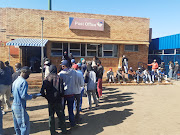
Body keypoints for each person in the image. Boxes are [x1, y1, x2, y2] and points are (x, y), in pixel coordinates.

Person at [40, 65, 68, 135]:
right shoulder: (59, 78)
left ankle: (52, 132)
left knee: (51, 117)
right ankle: (64, 131)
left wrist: (47, 97)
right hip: (58, 100)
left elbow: (42, 92)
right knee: (61, 116)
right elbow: (62, 92)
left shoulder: (46, 79)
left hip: (50, 101)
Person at [12, 66, 37, 135]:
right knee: (24, 126)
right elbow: (23, 96)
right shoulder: (23, 82)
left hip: (14, 104)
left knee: (17, 126)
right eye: (28, 73)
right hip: (20, 106)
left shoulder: (15, 81)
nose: (28, 75)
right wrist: (31, 96)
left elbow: (13, 92)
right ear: (23, 72)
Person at [59, 60, 77, 127]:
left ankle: (62, 123)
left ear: (64, 66)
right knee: (70, 109)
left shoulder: (61, 74)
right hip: (71, 93)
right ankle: (72, 122)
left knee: (62, 110)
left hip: (63, 94)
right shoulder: (73, 72)